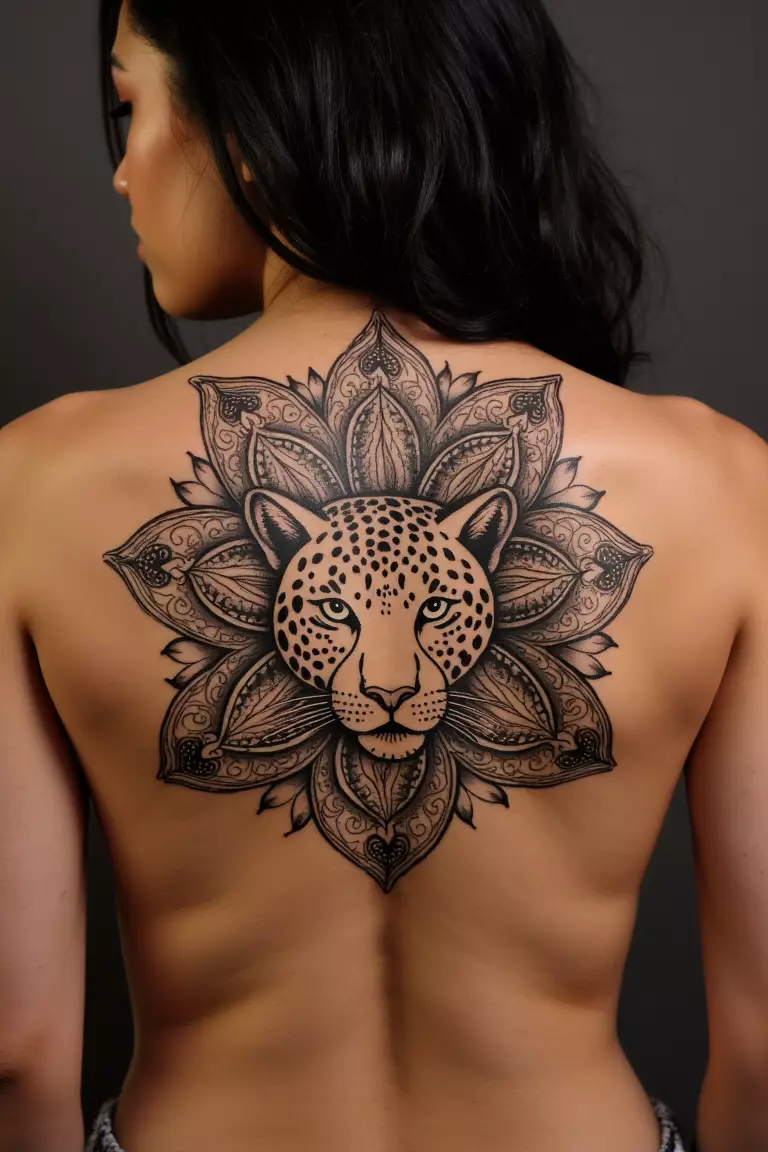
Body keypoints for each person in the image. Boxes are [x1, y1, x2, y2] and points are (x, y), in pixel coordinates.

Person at [0, 0, 765, 1149]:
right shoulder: (724, 486)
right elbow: (762, 1046)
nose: (120, 175)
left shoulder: (32, 487)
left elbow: (17, 1050)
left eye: (130, 106)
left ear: (255, 126)